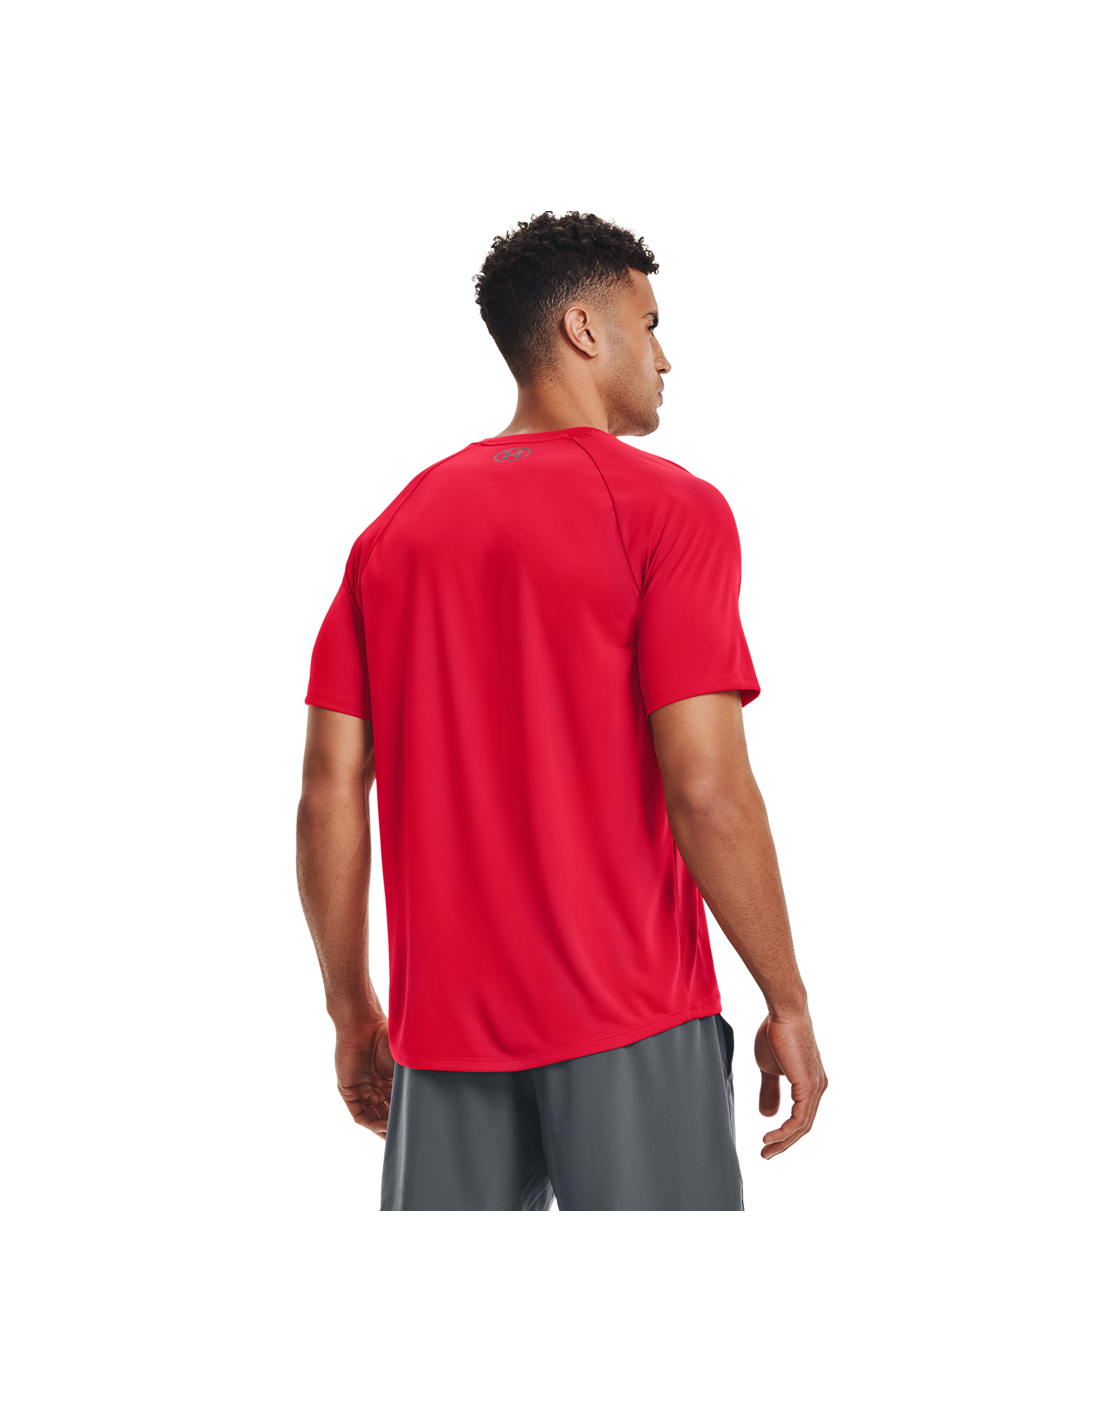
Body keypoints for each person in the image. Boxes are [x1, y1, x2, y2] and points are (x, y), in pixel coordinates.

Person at [296, 210, 827, 1210]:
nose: (664, 358)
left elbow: (329, 790)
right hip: (630, 1019)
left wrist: (350, 1010)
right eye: (650, 324)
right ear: (584, 329)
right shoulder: (670, 509)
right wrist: (786, 999)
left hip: (441, 1041)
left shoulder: (394, 530)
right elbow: (707, 788)